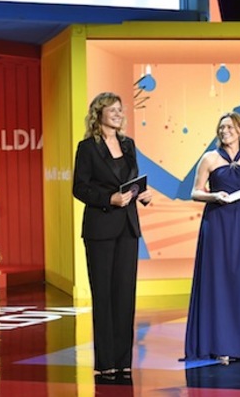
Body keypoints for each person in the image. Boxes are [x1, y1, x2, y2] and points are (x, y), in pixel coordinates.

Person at [72, 92, 152, 377]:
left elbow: (133, 179)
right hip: (101, 229)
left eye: (120, 109)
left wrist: (142, 194)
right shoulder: (87, 148)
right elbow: (79, 188)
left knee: (124, 295)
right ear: (99, 114)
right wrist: (109, 199)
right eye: (112, 110)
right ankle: (105, 362)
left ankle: (123, 361)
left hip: (128, 228)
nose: (118, 113)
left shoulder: (129, 145)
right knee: (103, 295)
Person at [183, 112, 240, 362]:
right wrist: (214, 196)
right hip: (217, 221)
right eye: (221, 128)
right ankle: (218, 343)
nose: (224, 131)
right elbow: (195, 192)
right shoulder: (209, 158)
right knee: (217, 279)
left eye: (229, 127)